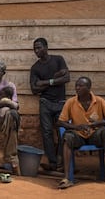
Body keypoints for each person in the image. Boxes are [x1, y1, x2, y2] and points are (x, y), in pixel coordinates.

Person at [57, 76, 105, 189]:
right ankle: (66, 178)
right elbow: (60, 122)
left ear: (89, 88)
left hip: (95, 134)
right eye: (76, 85)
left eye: (81, 86)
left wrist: (97, 124)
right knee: (67, 137)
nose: (77, 88)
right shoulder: (71, 102)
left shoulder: (99, 101)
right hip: (78, 135)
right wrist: (76, 127)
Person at [30, 37, 70, 171]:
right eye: (35, 48)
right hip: (45, 103)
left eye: (39, 47)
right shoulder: (35, 68)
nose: (37, 51)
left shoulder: (58, 59)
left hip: (61, 102)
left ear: (46, 47)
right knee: (47, 132)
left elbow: (66, 78)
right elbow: (34, 89)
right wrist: (55, 78)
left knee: (62, 132)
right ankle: (53, 163)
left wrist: (45, 82)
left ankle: (61, 161)